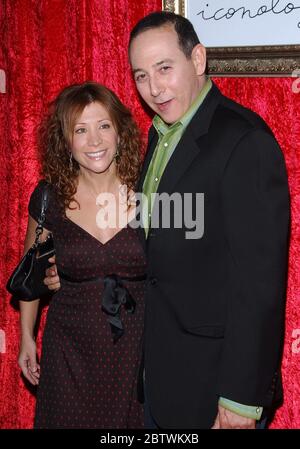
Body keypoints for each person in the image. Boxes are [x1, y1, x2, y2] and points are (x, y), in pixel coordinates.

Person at [45, 11, 290, 429]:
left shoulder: (244, 141)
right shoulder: (161, 135)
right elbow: (159, 249)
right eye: (141, 76)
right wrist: (75, 269)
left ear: (198, 60)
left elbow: (259, 287)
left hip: (217, 387)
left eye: (164, 68)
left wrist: (240, 402)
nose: (154, 88)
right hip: (160, 378)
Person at [18, 81, 146, 429]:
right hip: (69, 353)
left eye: (104, 125)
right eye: (81, 129)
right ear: (66, 141)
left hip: (137, 351)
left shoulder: (148, 189)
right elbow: (31, 274)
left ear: (120, 132)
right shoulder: (49, 198)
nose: (94, 141)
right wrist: (27, 337)